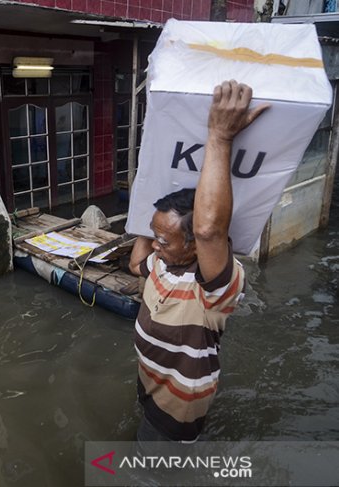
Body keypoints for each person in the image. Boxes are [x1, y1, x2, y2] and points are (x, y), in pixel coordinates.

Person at [128, 80, 270, 443]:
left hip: (179, 403)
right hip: (149, 379)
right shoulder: (163, 261)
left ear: (194, 247)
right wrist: (146, 213)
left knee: (150, 466)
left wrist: (220, 137)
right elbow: (135, 265)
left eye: (164, 240)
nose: (156, 247)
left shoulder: (216, 288)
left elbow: (210, 230)